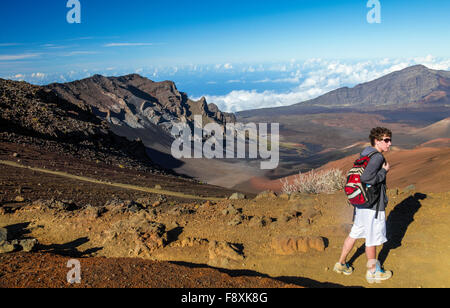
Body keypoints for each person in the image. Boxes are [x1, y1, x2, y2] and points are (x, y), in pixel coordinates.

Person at [334, 127, 393, 283]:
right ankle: (373, 272)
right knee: (372, 239)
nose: (389, 143)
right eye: (386, 140)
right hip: (372, 205)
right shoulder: (377, 157)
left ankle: (340, 264)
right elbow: (367, 177)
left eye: (390, 140)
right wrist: (384, 171)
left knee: (355, 233)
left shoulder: (365, 153)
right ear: (377, 141)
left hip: (361, 203)